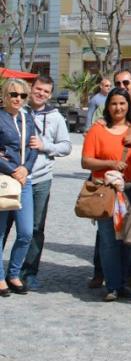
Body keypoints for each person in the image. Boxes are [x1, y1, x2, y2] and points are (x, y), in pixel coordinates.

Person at [81, 86, 131, 301]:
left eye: (122, 103)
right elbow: (86, 161)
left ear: (129, 105)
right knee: (108, 240)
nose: (118, 108)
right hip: (106, 191)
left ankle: (122, 283)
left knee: (128, 240)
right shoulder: (97, 130)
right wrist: (110, 164)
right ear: (107, 107)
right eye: (113, 104)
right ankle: (112, 285)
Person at [19, 75, 71, 289]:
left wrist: (45, 146)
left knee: (35, 228)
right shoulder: (18, 110)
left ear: (50, 95)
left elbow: (66, 146)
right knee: (7, 225)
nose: (41, 94)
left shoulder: (55, 117)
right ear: (31, 89)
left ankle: (29, 272)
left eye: (46, 91)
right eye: (38, 89)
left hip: (41, 179)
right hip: (15, 177)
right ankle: (5, 273)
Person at [0, 79, 36, 295]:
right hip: (3, 180)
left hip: (24, 180)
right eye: (14, 94)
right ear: (5, 95)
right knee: (0, 231)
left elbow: (33, 147)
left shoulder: (27, 117)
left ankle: (13, 273)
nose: (18, 99)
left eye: (22, 95)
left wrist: (25, 168)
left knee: (26, 232)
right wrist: (12, 169)